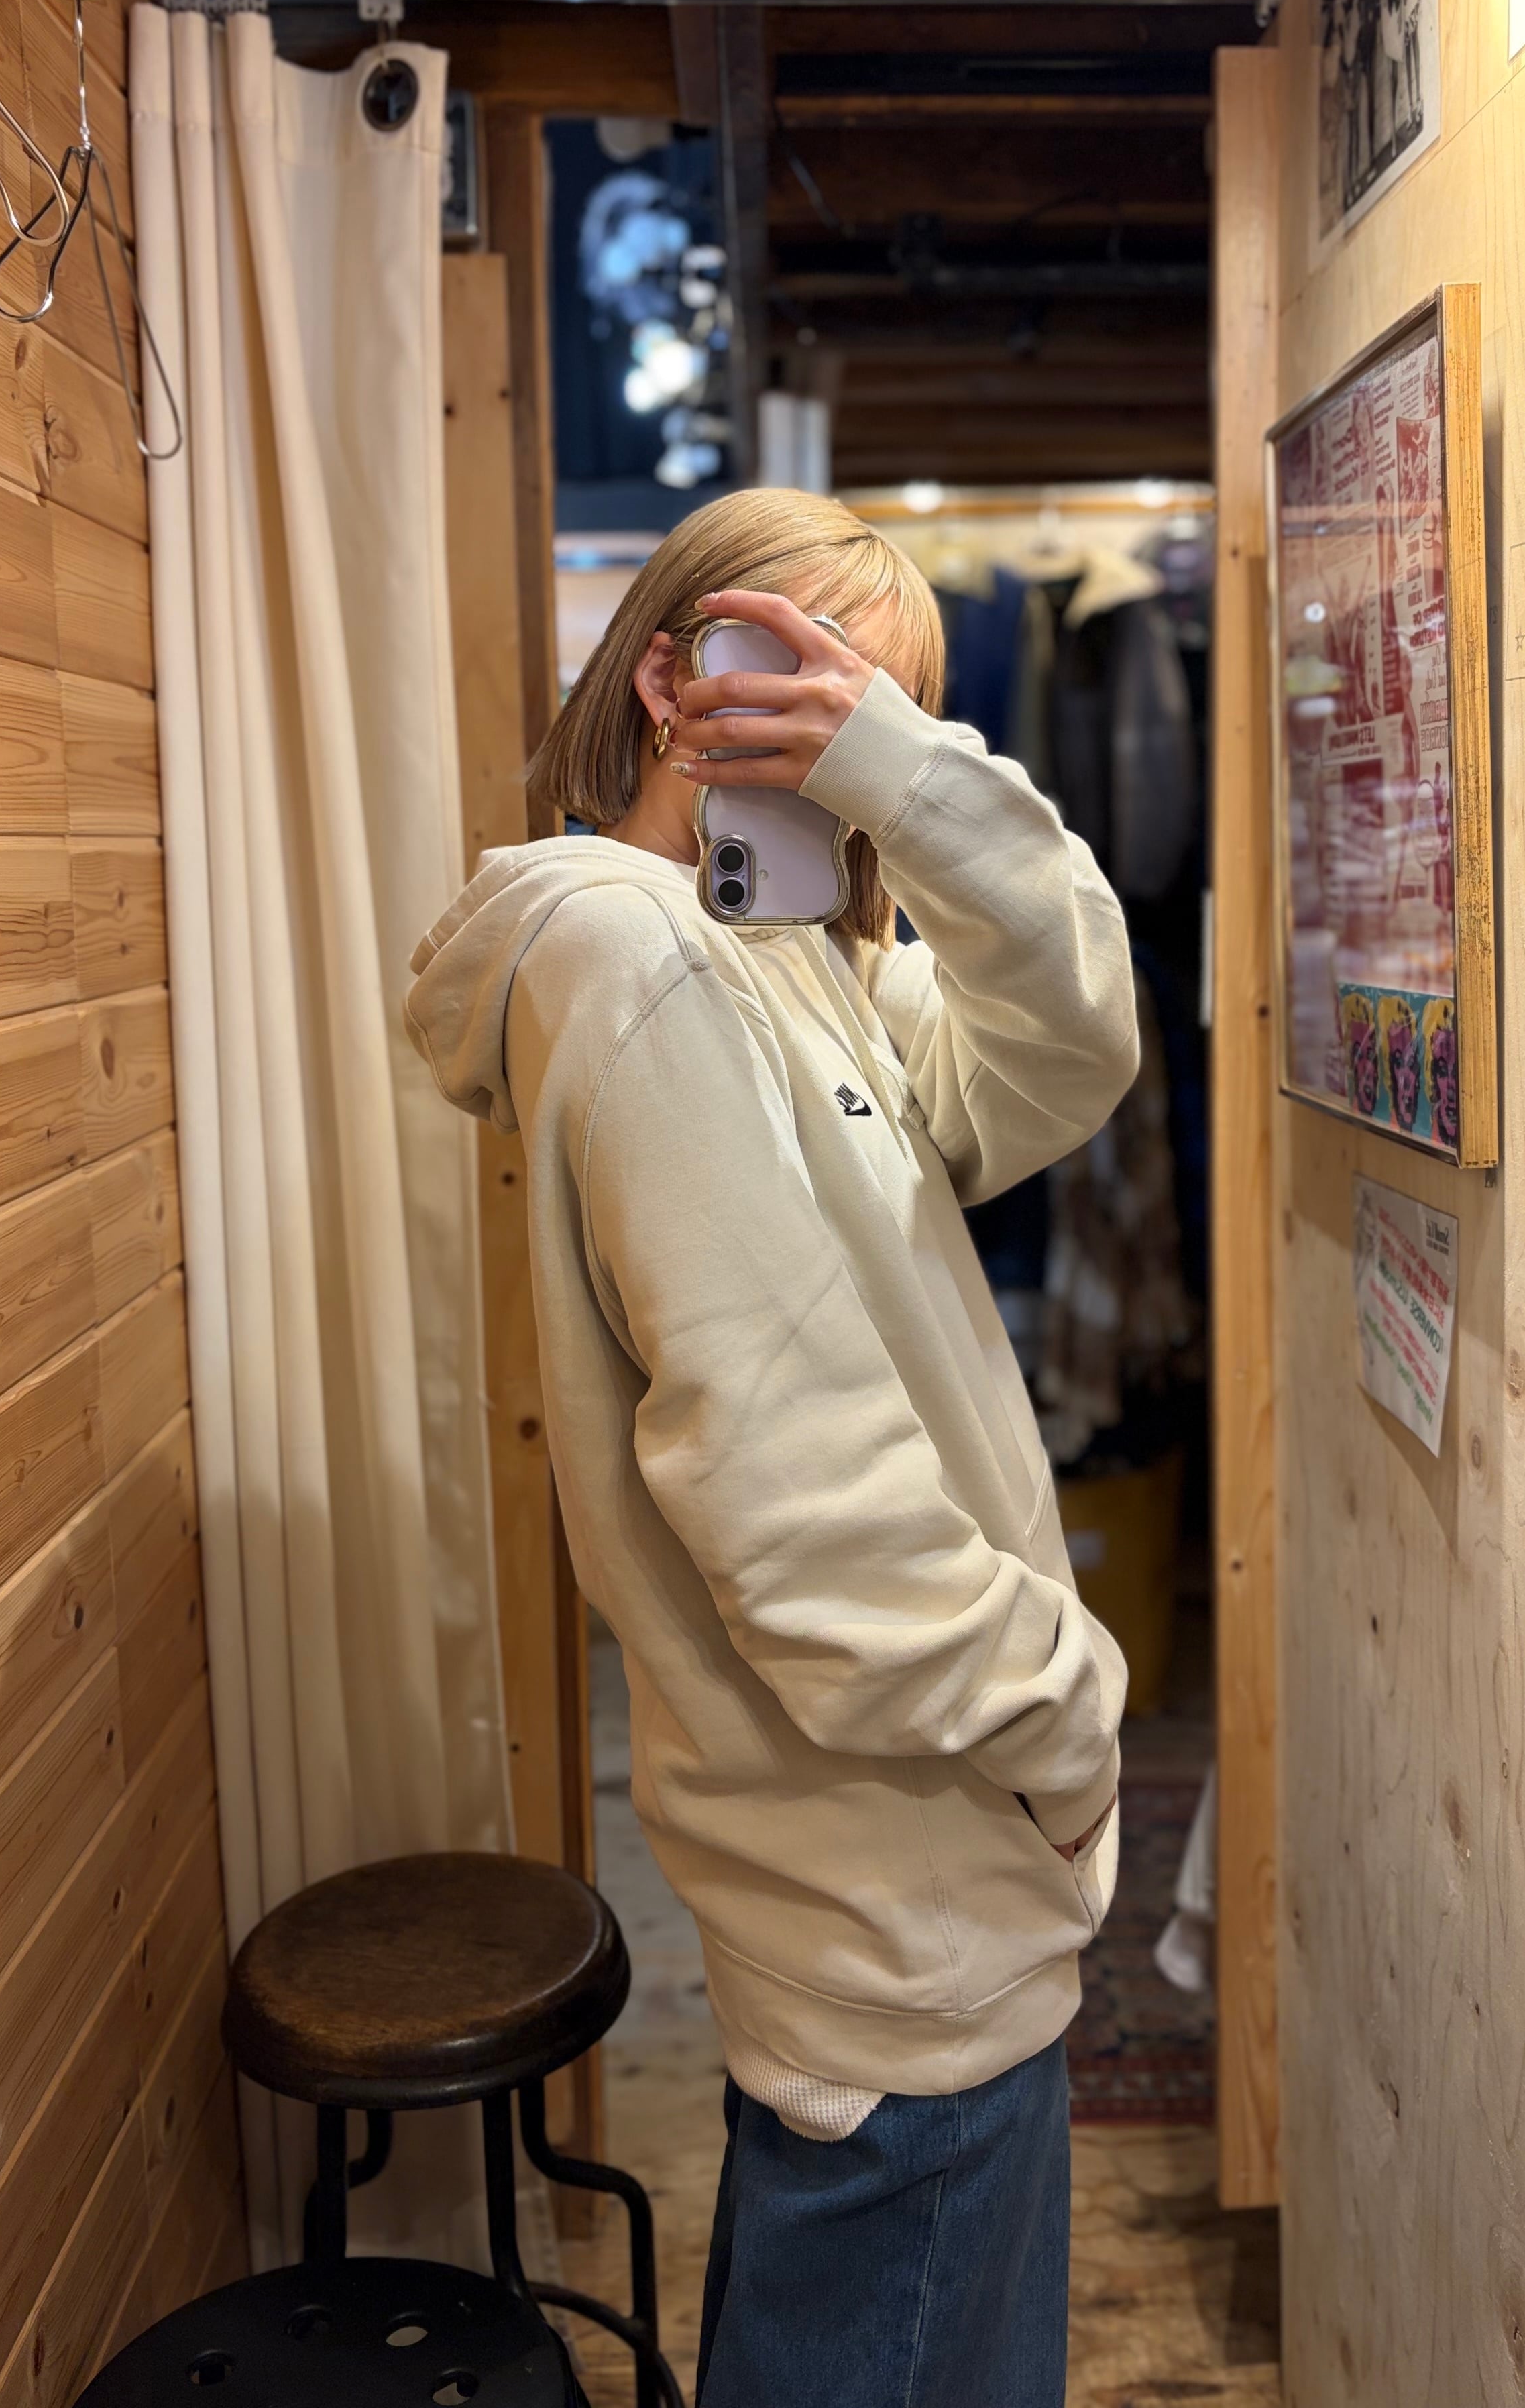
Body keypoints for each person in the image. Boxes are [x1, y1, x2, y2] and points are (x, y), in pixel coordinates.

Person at [406, 489, 1135, 2407]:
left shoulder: (789, 949)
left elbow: (1071, 1050)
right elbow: (801, 1512)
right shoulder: (643, 962)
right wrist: (1064, 1717)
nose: (850, 739)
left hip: (901, 1866)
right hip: (899, 1876)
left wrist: (910, 782)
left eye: (883, 704)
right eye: (802, 685)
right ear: (672, 684)